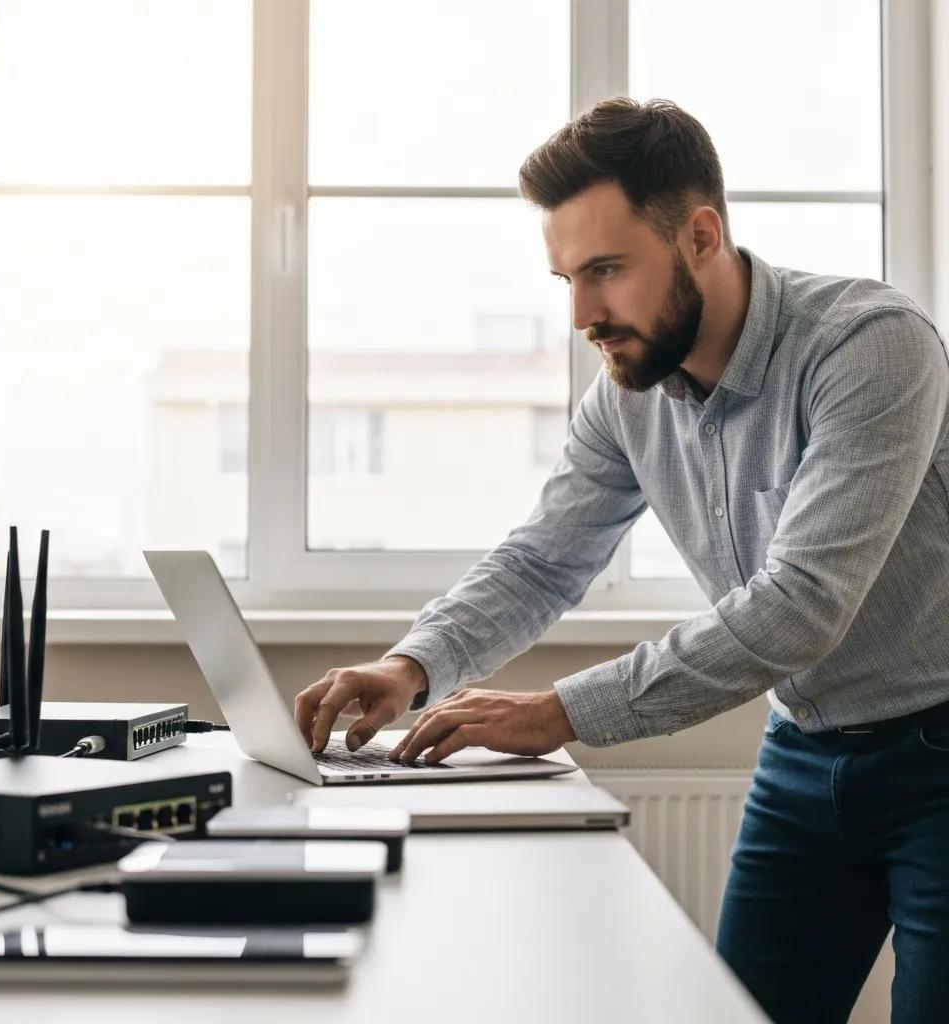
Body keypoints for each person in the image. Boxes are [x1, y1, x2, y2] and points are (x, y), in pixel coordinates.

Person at [293, 97, 949, 1023]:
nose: (582, 314)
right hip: (804, 752)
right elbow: (541, 562)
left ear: (700, 234)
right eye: (565, 278)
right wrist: (413, 663)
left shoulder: (870, 346)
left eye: (605, 270)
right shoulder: (628, 391)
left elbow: (800, 605)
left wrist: (558, 712)